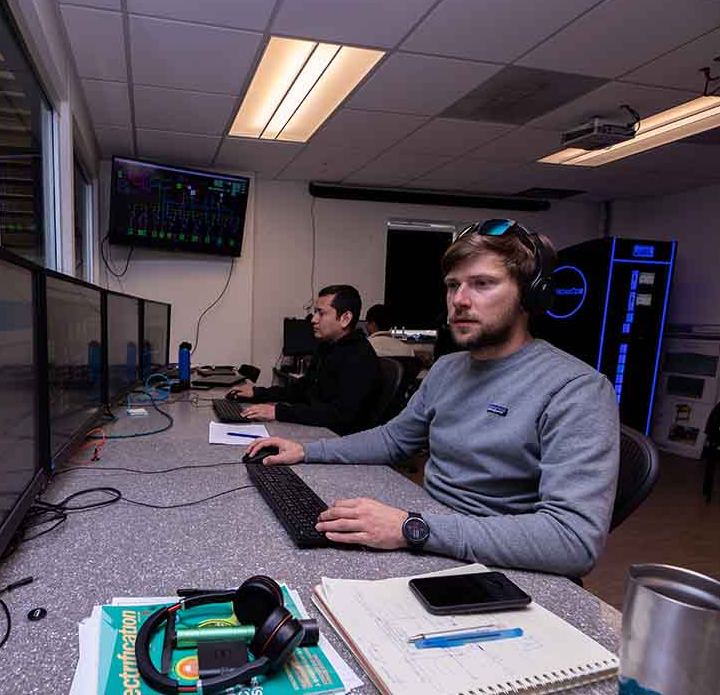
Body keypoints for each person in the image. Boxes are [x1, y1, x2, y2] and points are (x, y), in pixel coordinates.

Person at [245, 220, 620, 577]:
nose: (459, 300)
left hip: (500, 567)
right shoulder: (448, 369)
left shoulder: (576, 388)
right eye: (453, 285)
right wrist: (308, 451)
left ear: (530, 295)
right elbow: (393, 439)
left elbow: (573, 540)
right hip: (433, 536)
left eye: (482, 284)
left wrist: (412, 529)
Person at [229, 284, 381, 435]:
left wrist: (277, 412)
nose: (313, 320)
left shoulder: (360, 356)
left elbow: (339, 414)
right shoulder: (327, 348)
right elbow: (301, 390)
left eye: (321, 313)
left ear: (345, 318)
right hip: (318, 429)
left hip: (336, 438)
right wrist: (258, 394)